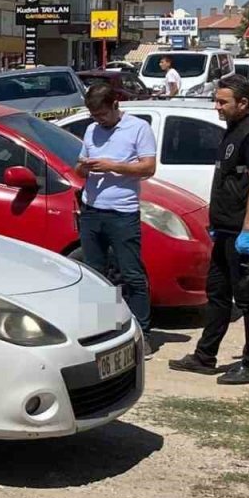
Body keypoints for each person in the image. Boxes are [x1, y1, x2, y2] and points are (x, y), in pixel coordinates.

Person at [170, 74, 249, 385]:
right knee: (217, 293)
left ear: (243, 103)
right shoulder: (233, 130)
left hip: (244, 234)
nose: (216, 106)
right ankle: (205, 356)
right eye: (216, 100)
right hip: (225, 229)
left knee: (248, 298)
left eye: (222, 102)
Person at [74, 81, 158, 343]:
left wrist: (113, 166)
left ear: (115, 105)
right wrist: (85, 168)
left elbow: (148, 168)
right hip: (91, 209)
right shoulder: (91, 130)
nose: (98, 120)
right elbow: (78, 167)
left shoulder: (138, 128)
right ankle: (105, 330)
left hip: (122, 213)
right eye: (94, 116)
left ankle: (142, 333)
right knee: (96, 274)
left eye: (102, 114)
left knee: (131, 273)